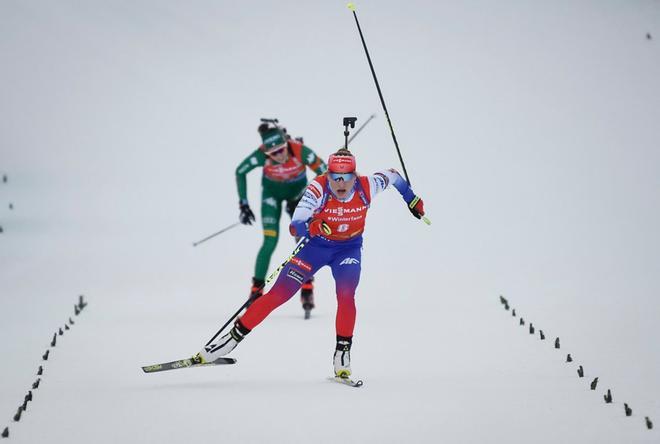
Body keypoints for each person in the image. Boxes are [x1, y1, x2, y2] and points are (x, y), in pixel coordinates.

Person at [199, 147, 425, 378]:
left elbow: (394, 176)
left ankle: (342, 353)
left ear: (355, 176)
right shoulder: (318, 188)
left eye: (346, 177)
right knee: (278, 294)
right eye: (334, 176)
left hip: (348, 250)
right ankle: (230, 340)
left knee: (346, 295)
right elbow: (295, 224)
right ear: (327, 175)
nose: (340, 183)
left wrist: (412, 199)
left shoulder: (369, 185)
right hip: (315, 249)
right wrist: (311, 226)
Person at [235, 121, 327, 316]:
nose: (279, 155)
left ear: (286, 143)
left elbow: (325, 171)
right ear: (266, 152)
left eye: (281, 149)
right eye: (273, 153)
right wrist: (243, 203)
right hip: (272, 196)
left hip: (298, 195)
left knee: (303, 239)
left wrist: (322, 197)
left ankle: (307, 285)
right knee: (270, 241)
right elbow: (240, 171)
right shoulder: (260, 154)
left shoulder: (299, 150)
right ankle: (256, 290)